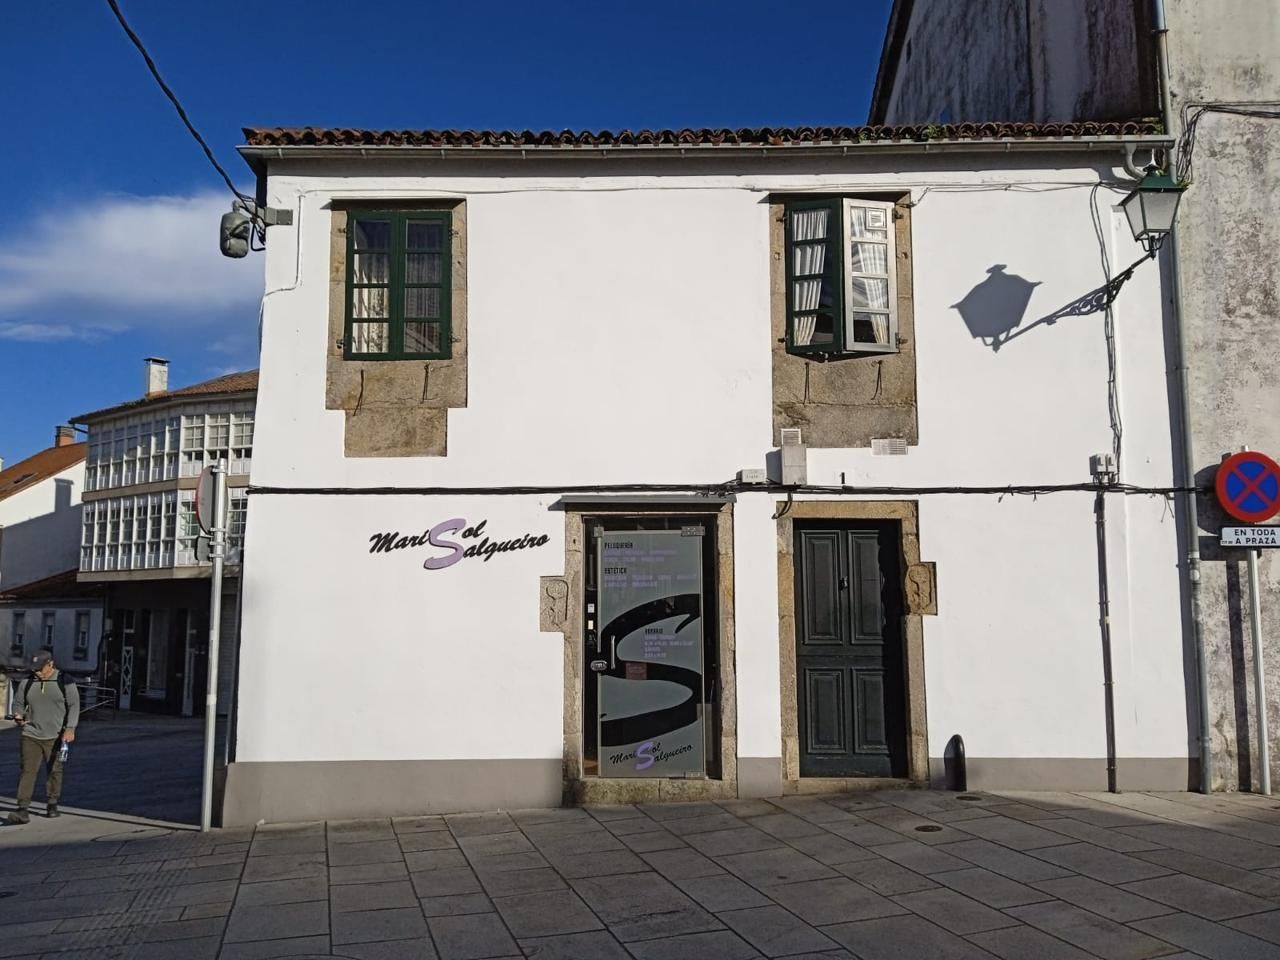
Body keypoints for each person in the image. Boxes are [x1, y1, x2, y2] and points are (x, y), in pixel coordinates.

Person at [7, 649, 78, 823]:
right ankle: (22, 809)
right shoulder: (27, 682)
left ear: (50, 664)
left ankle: (52, 804)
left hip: (56, 735)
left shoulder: (64, 681)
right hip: (31, 733)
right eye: (34, 669)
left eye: (40, 668)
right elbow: (18, 702)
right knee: (27, 771)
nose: (37, 672)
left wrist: (70, 728)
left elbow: (74, 705)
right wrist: (18, 714)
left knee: (55, 770)